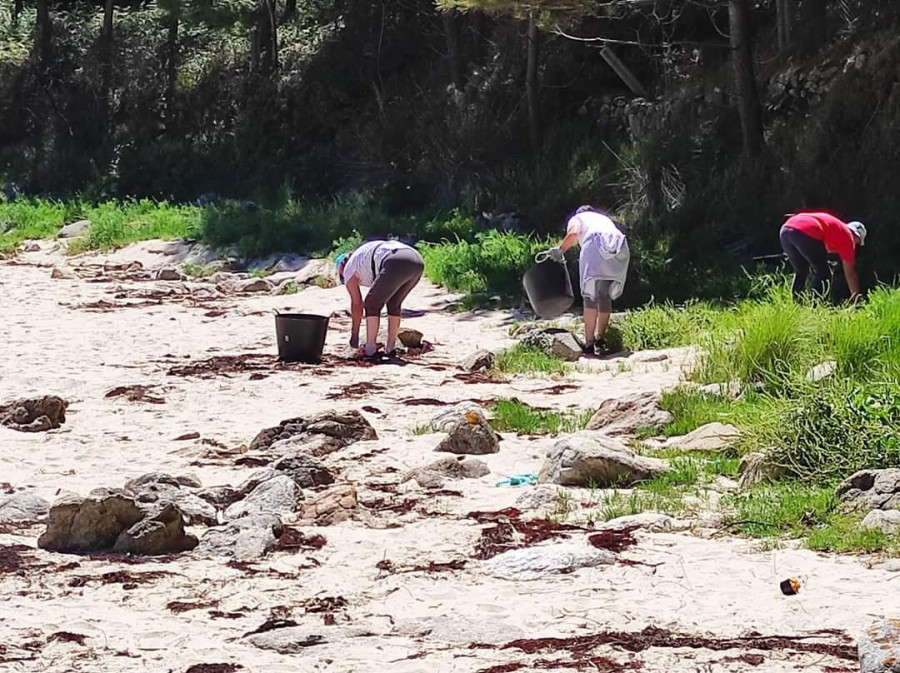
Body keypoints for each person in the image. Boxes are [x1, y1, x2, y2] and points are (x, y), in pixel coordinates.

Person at [546, 206, 630, 355]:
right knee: (604, 294)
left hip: (595, 243)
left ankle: (589, 343)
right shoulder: (603, 219)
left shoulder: (578, 218)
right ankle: (600, 339)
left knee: (590, 296)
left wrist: (560, 250)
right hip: (619, 245)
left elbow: (573, 234)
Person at [335, 240, 425, 358]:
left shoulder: (348, 268)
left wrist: (354, 334)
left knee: (371, 304)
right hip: (417, 260)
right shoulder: (361, 258)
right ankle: (390, 348)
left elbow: (357, 304)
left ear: (341, 266)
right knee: (394, 303)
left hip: (395, 260)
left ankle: (370, 349)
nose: (344, 277)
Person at [779, 212, 866, 300]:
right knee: (823, 272)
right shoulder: (848, 238)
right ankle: (815, 305)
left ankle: (796, 303)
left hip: (786, 229)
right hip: (805, 231)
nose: (855, 246)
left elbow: (820, 249)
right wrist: (856, 298)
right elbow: (850, 274)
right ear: (856, 237)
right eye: (857, 243)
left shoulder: (837, 228)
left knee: (801, 271)